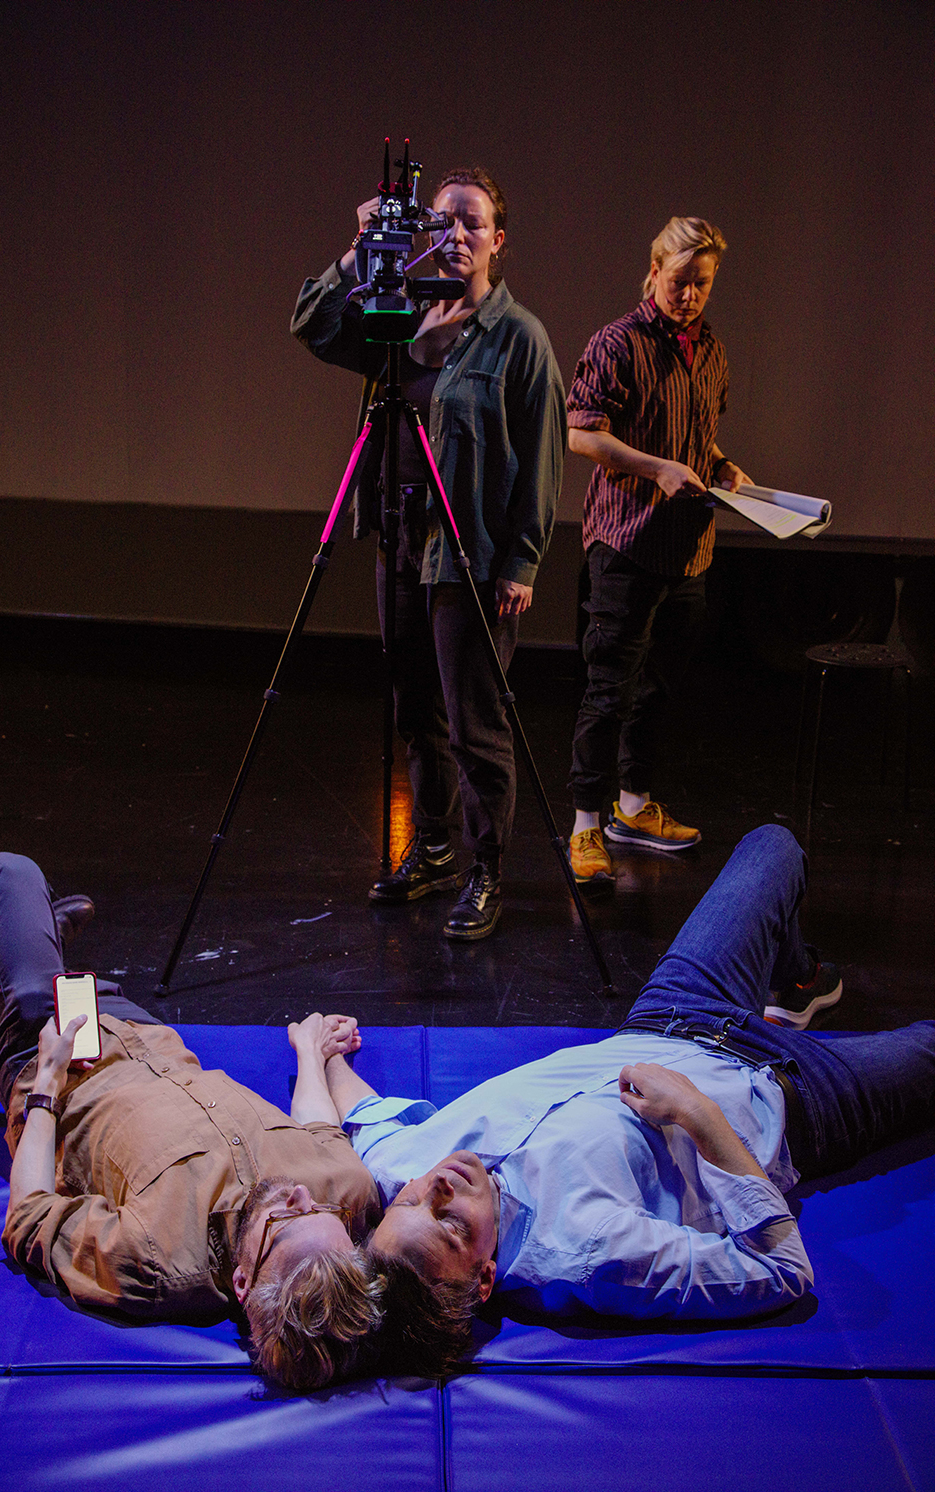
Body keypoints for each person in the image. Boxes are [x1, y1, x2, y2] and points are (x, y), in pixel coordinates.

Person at [317, 825, 933, 1371]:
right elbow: (781, 1272)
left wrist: (321, 1053)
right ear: (483, 1280)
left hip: (674, 1010)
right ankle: (787, 1013)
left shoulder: (398, 1173)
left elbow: (362, 1119)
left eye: (413, 1203)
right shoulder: (594, 1255)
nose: (438, 1190)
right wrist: (698, 1114)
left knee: (774, 847)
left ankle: (796, 984)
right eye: (449, 1225)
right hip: (794, 1092)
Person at [0, 853, 382, 1392]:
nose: (298, 1197)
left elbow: (29, 1215)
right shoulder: (346, 1194)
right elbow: (319, 1135)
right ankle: (32, 946)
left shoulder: (153, 1261)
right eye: (318, 1209)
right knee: (24, 937)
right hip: (143, 1033)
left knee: (7, 875)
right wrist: (312, 1052)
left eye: (285, 1223)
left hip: (50, 1051)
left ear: (242, 1282)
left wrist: (46, 1086)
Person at [292, 167, 566, 940]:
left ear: (497, 241)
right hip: (403, 541)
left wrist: (523, 564)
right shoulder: (399, 313)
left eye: (472, 223)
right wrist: (358, 252)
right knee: (416, 710)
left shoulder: (520, 338)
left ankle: (487, 870)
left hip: (471, 556)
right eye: (441, 222)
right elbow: (311, 324)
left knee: (475, 719)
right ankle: (438, 847)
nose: (455, 236)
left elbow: (544, 461)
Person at [565, 216, 754, 889]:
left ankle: (634, 809)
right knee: (609, 687)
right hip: (625, 543)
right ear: (653, 272)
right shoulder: (618, 343)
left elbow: (700, 438)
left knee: (657, 688)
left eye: (702, 284)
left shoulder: (713, 351)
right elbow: (583, 435)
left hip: (689, 551)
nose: (691, 295)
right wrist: (657, 469)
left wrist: (725, 468)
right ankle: (587, 822)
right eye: (681, 281)